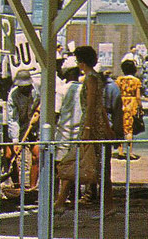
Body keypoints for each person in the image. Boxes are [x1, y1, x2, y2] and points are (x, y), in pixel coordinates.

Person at [55, 46, 115, 215]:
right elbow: (100, 106)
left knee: (78, 161)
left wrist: (88, 127)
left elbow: (91, 105)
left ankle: (61, 201)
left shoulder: (90, 79)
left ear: (82, 62)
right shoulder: (95, 78)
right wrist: (107, 127)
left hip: (91, 127)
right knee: (94, 164)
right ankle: (61, 201)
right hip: (95, 126)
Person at [4, 69, 39, 190]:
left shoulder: (37, 91)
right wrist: (15, 140)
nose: (23, 88)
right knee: (10, 155)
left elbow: (43, 106)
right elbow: (13, 119)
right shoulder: (13, 95)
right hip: (19, 125)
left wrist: (38, 113)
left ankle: (32, 188)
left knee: (36, 155)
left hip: (34, 126)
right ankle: (16, 186)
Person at [114, 60, 143, 160]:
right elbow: (138, 97)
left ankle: (120, 151)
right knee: (129, 129)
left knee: (120, 127)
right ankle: (129, 152)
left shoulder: (119, 80)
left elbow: (116, 92)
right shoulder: (136, 81)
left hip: (121, 103)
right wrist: (140, 106)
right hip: (132, 104)